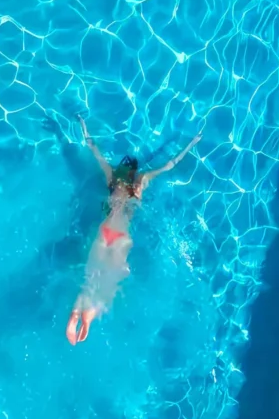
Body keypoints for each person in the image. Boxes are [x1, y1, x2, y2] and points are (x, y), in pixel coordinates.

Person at [65, 117, 201, 344]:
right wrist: (191, 144)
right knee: (110, 278)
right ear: (134, 172)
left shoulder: (111, 180)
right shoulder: (140, 183)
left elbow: (93, 148)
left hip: (105, 230)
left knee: (92, 273)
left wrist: (82, 125)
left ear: (120, 171)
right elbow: (170, 165)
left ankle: (76, 313)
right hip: (122, 237)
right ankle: (87, 318)